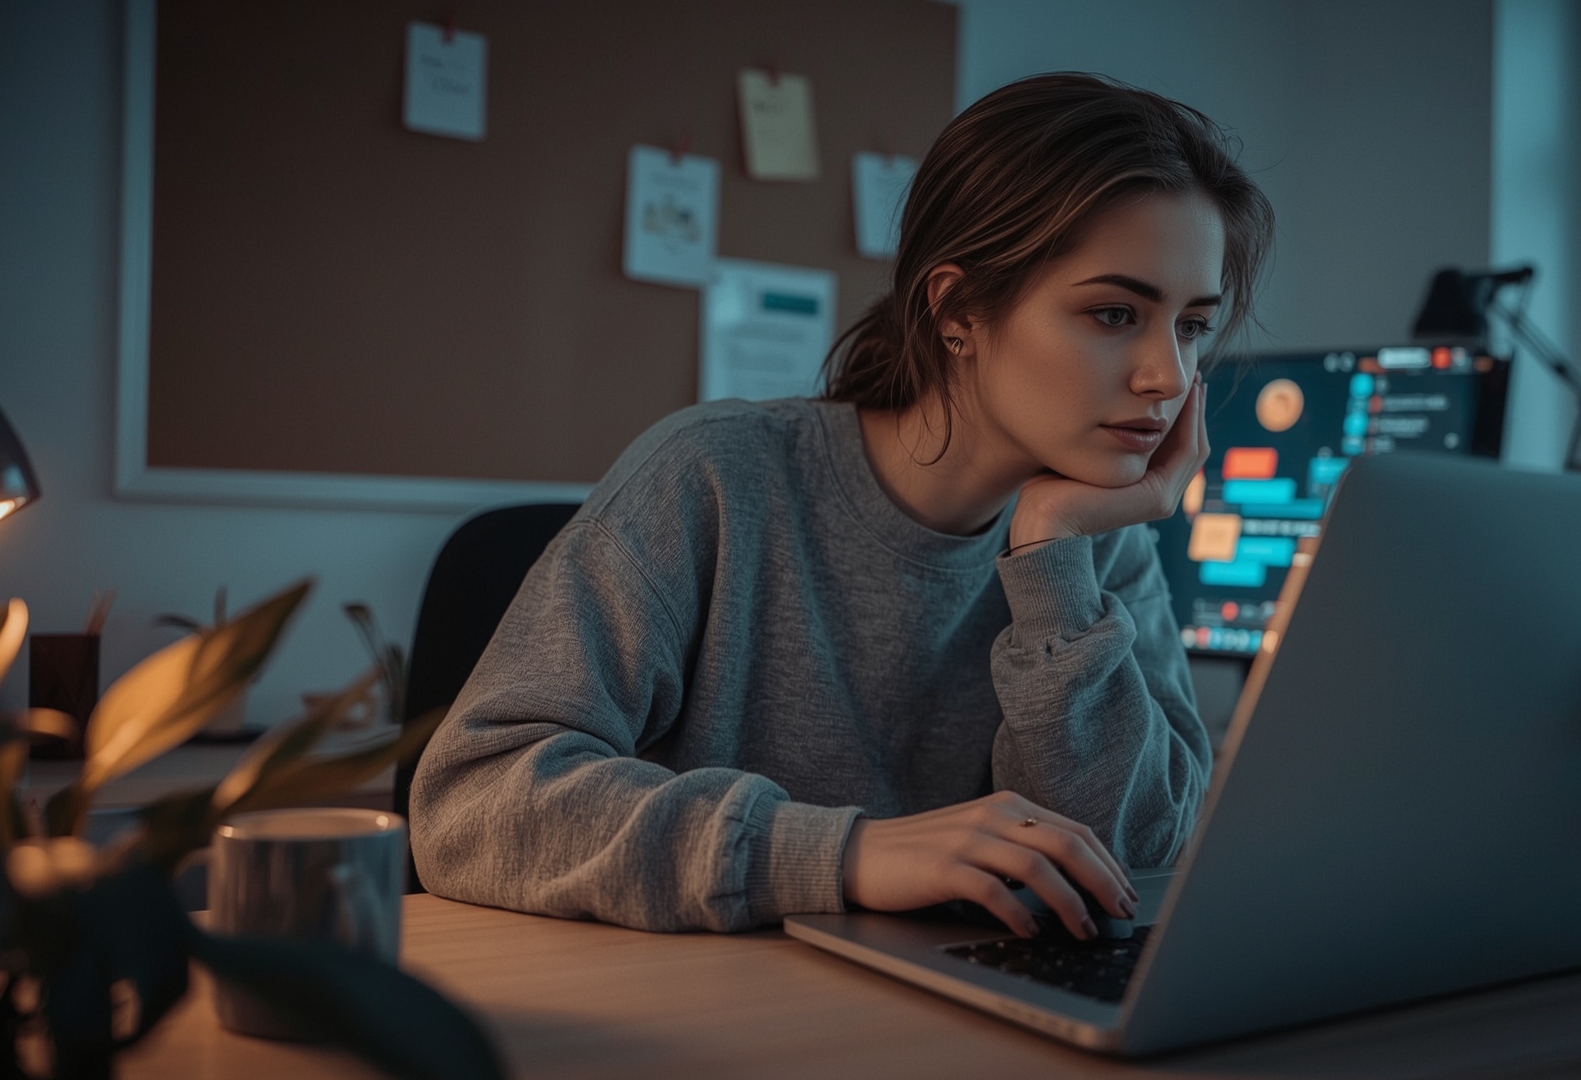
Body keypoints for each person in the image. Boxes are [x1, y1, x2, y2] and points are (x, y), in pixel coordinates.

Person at [410, 73, 1274, 940]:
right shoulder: (714, 477)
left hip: (962, 999)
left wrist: (1052, 568)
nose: (1167, 377)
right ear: (957, 309)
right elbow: (470, 802)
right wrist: (844, 853)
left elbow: (1136, 861)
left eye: (1192, 326)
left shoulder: (1093, 536)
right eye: (1115, 313)